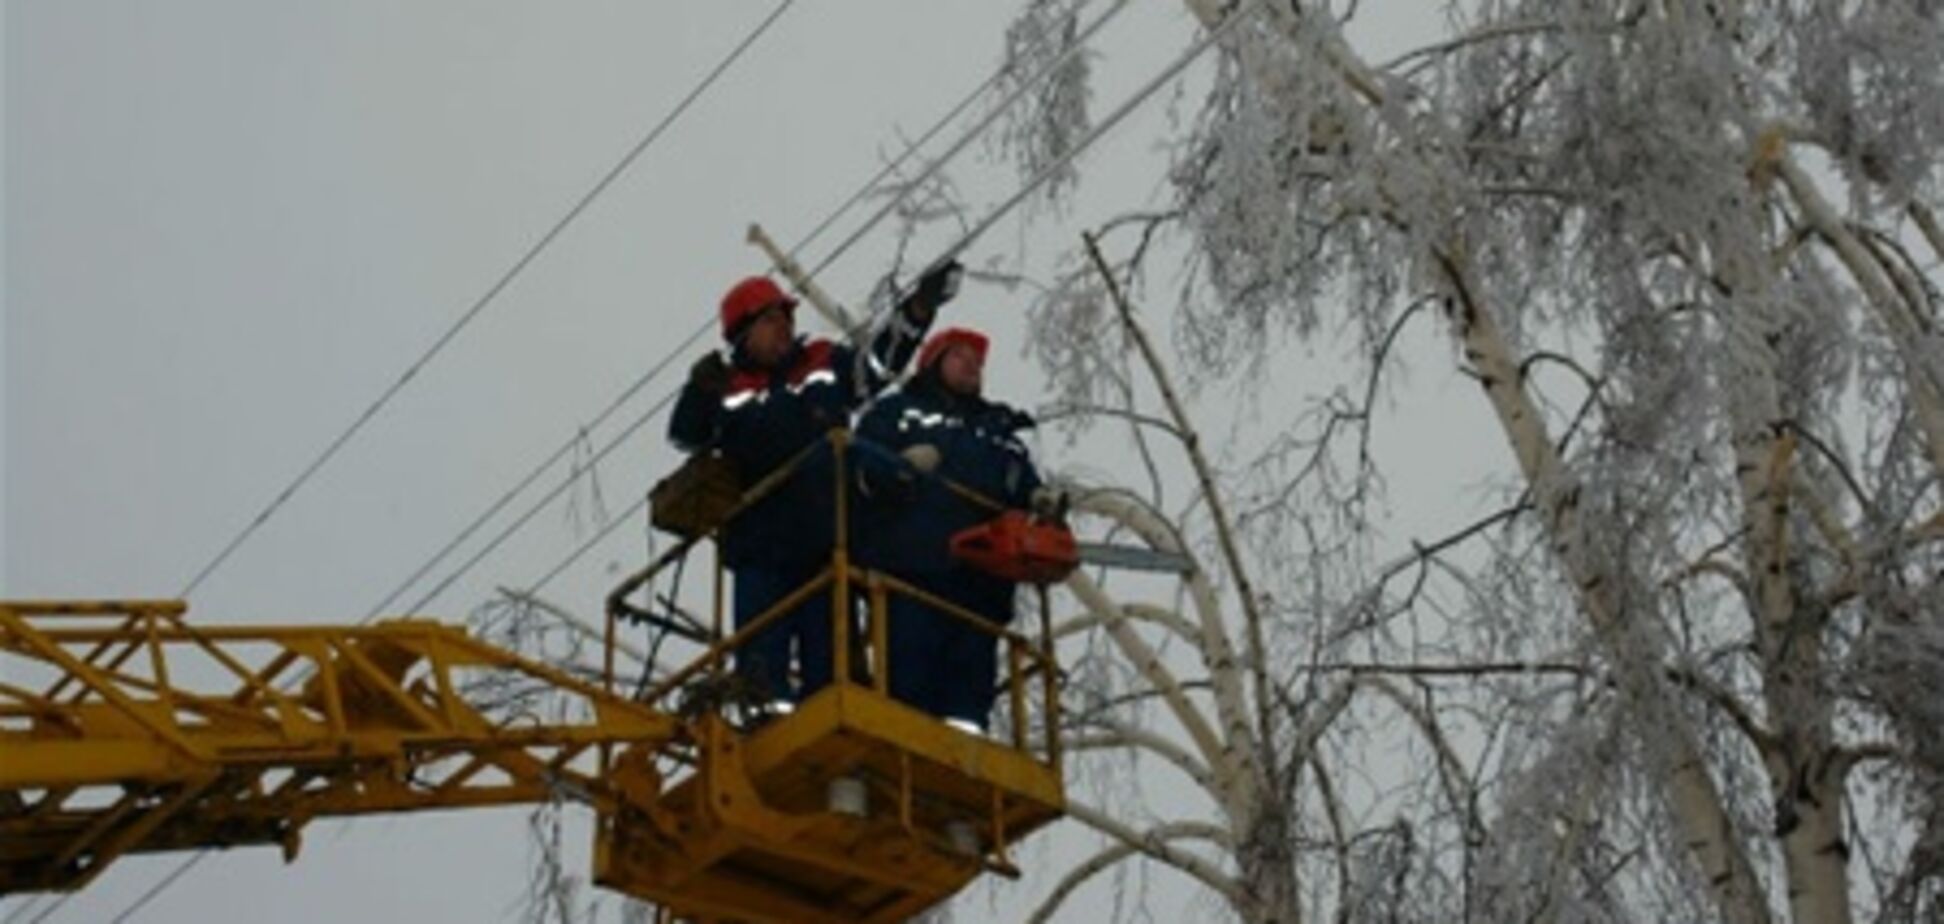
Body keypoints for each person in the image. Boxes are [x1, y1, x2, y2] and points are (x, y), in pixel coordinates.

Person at [669, 266, 958, 715]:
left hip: (827, 543)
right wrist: (698, 390)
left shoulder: (822, 363)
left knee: (832, 665)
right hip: (761, 547)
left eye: (786, 318)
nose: (785, 328)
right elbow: (685, 433)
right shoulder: (726, 388)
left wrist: (917, 312)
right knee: (763, 672)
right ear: (742, 334)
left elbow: (876, 365)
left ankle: (833, 719)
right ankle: (765, 724)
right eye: (771, 320)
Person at [856, 326, 1043, 733]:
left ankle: (964, 758)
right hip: (913, 574)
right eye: (961, 356)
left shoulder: (998, 432)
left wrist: (1043, 505)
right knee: (909, 688)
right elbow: (858, 472)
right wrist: (898, 471)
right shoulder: (897, 413)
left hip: (980, 586)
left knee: (967, 704)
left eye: (978, 361)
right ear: (933, 361)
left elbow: (1025, 490)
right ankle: (904, 747)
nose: (973, 366)